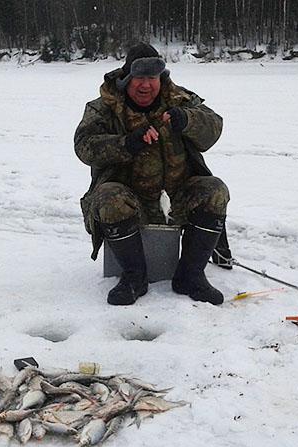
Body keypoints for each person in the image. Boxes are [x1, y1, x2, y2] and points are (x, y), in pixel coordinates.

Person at [75, 43, 231, 306]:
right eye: (139, 78)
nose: (146, 85)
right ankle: (134, 277)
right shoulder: (103, 107)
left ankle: (191, 276)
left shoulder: (181, 100)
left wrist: (188, 121)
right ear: (126, 79)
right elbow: (83, 146)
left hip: (177, 196)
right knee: (107, 197)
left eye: (152, 78)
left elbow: (214, 128)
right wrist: (126, 144)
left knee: (215, 190)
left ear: (161, 78)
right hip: (130, 201)